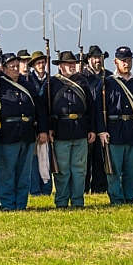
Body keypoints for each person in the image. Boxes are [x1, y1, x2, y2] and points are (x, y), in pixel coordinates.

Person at [0, 52, 47, 210]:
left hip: (27, 132)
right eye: (12, 67)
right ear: (3, 68)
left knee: (24, 173)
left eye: (17, 66)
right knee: (7, 172)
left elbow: (40, 109)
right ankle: (8, 204)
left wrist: (42, 130)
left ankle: (21, 204)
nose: (16, 69)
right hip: (7, 133)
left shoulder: (27, 85)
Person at [101, 46, 133, 205]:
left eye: (129, 60)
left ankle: (129, 197)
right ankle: (116, 198)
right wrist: (102, 130)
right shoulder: (107, 82)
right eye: (123, 61)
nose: (127, 64)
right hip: (115, 129)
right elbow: (100, 109)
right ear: (115, 62)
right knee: (114, 168)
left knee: (132, 169)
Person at [48, 50, 96, 209]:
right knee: (62, 171)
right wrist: (49, 128)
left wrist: (92, 129)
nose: (71, 66)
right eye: (68, 63)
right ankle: (61, 201)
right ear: (60, 66)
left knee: (79, 170)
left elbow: (91, 107)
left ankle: (77, 201)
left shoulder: (82, 82)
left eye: (73, 63)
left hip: (80, 129)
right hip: (60, 130)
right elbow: (44, 108)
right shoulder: (52, 83)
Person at [82, 45, 111, 195]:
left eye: (100, 57)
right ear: (88, 59)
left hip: (105, 121)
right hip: (87, 121)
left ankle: (100, 188)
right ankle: (84, 187)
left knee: (101, 158)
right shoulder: (82, 77)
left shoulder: (109, 76)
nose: (98, 60)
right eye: (95, 57)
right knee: (85, 159)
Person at [26, 50, 52, 197]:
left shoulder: (50, 80)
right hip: (33, 123)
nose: (41, 65)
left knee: (45, 157)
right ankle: (35, 189)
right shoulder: (29, 80)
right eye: (38, 63)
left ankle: (46, 188)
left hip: (46, 122)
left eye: (43, 62)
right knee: (34, 159)